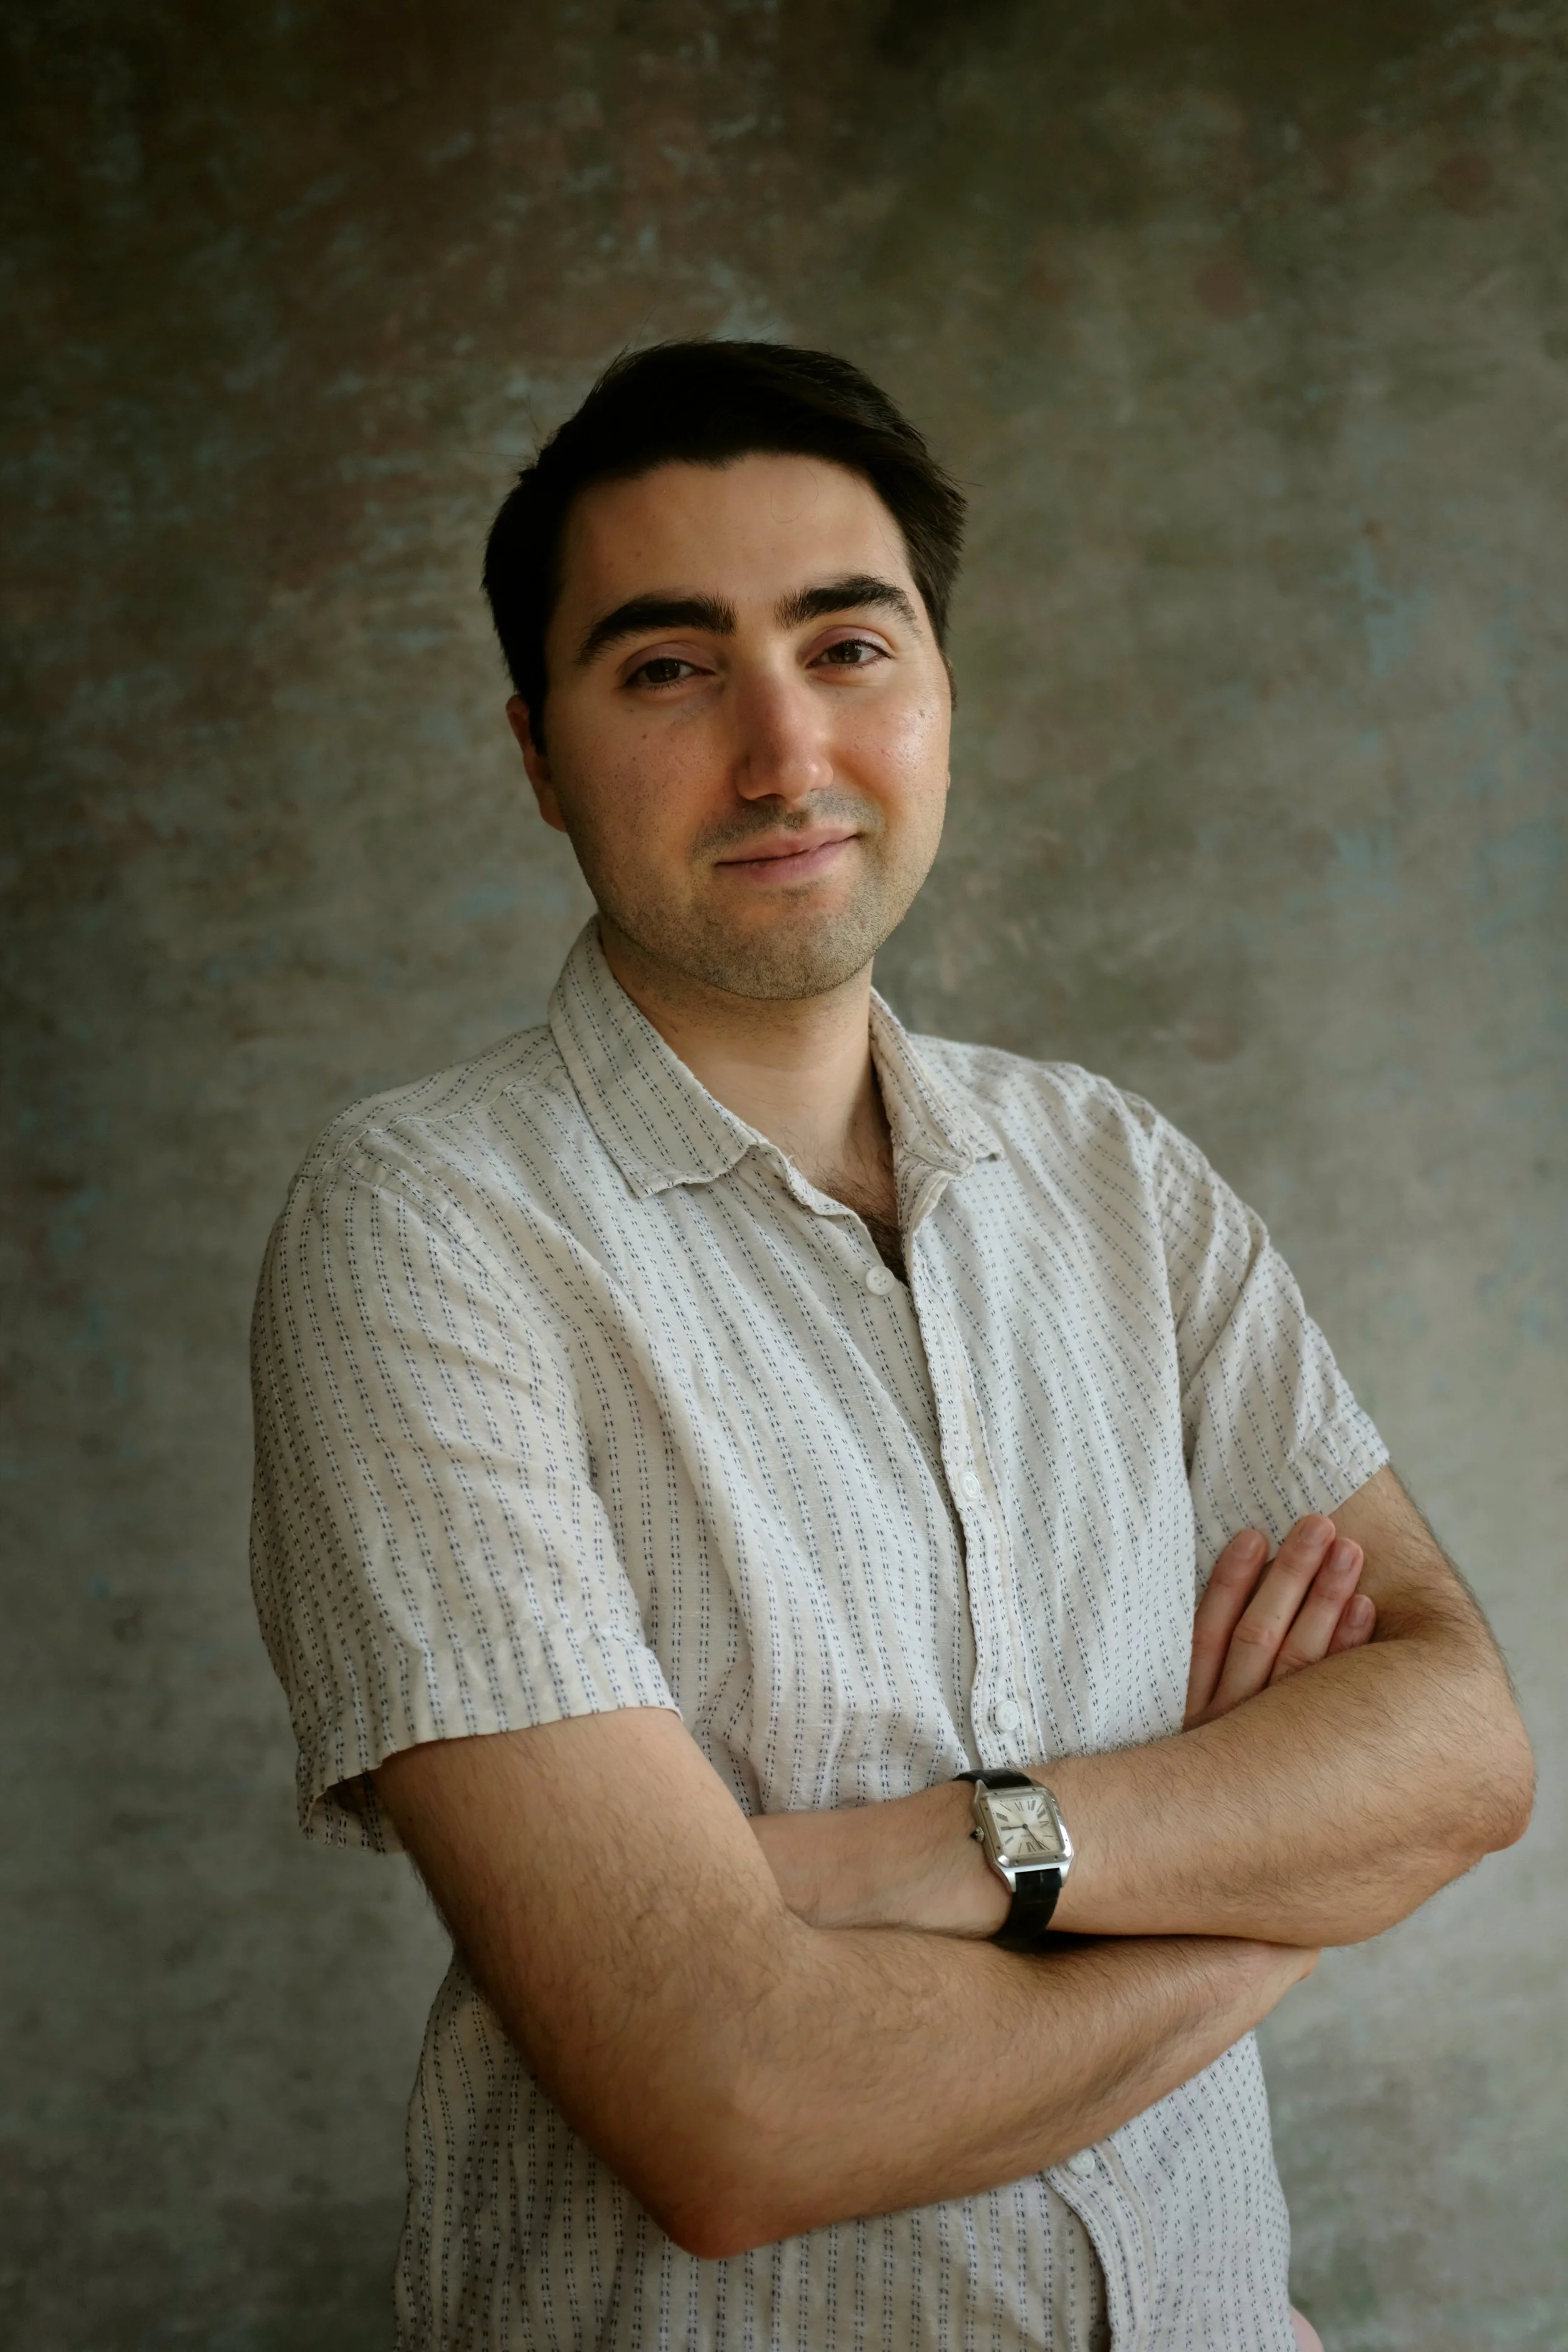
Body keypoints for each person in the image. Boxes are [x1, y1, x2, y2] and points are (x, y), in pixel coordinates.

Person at [249, 341, 1533, 2352]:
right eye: (668, 669)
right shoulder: (424, 1234)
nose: (782, 753)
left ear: (938, 690)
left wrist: (939, 1857)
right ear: (535, 750)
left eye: (846, 645)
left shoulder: (1120, 1178)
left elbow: (1460, 1746)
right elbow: (732, 2109)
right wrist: (1272, 1876)